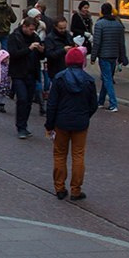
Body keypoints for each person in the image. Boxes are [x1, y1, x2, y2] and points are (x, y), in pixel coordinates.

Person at [45, 46, 99, 201]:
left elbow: (52, 104)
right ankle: (76, 189)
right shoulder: (89, 80)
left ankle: (60, 187)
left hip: (61, 122)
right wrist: (85, 116)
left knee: (60, 154)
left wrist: (49, 124)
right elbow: (93, 105)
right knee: (78, 155)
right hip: (80, 122)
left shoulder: (59, 78)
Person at [7, 16, 45, 138]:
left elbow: (42, 55)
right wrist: (28, 49)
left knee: (28, 101)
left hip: (32, 73)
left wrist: (41, 50)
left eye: (33, 29)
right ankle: (20, 127)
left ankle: (24, 124)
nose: (32, 31)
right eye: (30, 29)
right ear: (24, 27)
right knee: (22, 99)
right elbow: (13, 54)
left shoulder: (35, 37)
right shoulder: (14, 37)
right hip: (18, 73)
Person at [90, 2, 128, 112]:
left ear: (102, 11)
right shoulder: (118, 24)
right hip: (114, 55)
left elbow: (97, 42)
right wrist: (122, 56)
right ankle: (101, 101)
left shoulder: (99, 24)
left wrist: (93, 57)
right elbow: (122, 42)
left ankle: (113, 103)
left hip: (104, 55)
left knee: (107, 79)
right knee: (107, 78)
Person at [44, 16, 71, 82]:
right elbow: (49, 54)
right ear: (55, 27)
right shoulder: (50, 38)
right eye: (61, 28)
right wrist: (63, 50)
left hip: (67, 68)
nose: (63, 30)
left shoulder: (67, 35)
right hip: (56, 70)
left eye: (65, 28)